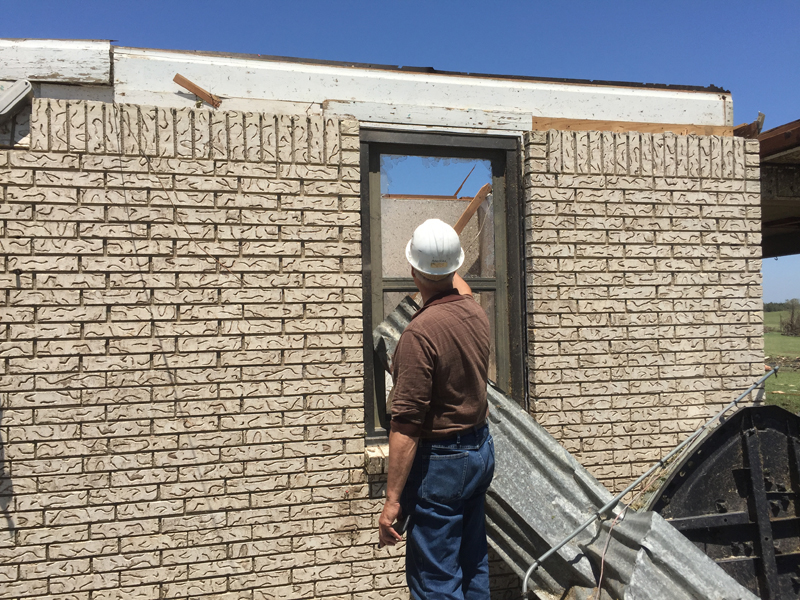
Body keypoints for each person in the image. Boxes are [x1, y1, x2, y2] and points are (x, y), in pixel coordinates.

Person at [378, 218, 495, 600]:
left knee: (436, 581)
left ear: (413, 270)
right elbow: (457, 286)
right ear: (455, 267)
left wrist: (392, 500)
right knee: (473, 560)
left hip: (444, 465)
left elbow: (407, 427)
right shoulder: (475, 313)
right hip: (480, 451)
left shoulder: (418, 335)